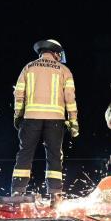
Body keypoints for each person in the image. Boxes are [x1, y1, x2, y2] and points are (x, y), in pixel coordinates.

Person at [12, 39, 79, 203]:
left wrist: (18, 116)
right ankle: (55, 195)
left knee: (25, 154)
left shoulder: (28, 67)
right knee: (54, 155)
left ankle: (17, 193)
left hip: (31, 118)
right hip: (55, 120)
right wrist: (73, 121)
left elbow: (19, 94)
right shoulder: (64, 70)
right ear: (56, 53)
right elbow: (70, 98)